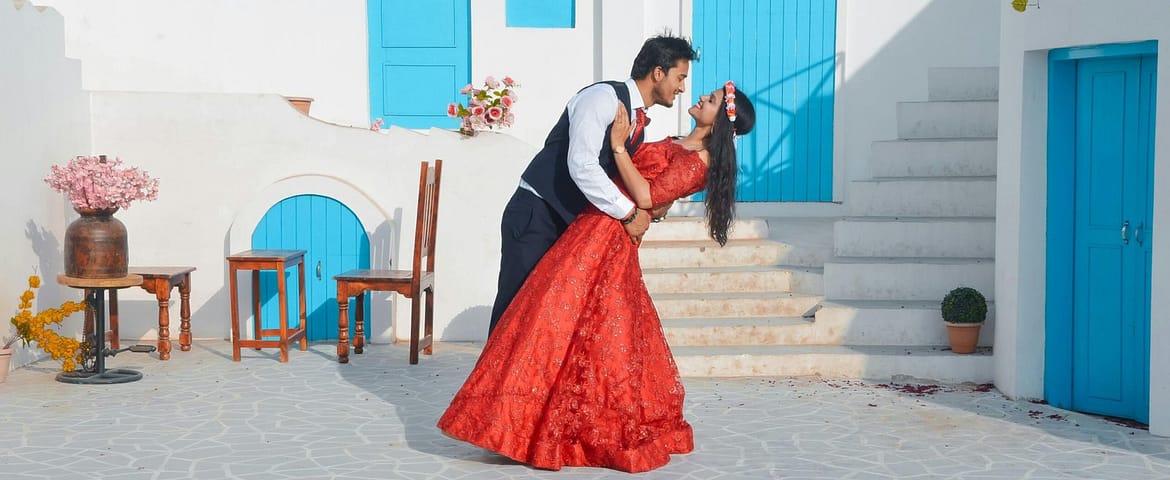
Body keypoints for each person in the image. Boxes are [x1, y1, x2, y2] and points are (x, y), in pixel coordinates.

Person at [438, 81, 756, 473]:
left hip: (608, 237)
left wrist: (620, 147)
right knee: (552, 321)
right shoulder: (677, 142)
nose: (698, 96)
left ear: (719, 124)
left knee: (567, 323)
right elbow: (652, 201)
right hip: (593, 224)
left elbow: (645, 195)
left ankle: (544, 424)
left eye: (709, 101)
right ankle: (510, 420)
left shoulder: (699, 162)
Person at [488, 34, 696, 334]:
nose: (682, 87)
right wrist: (628, 213)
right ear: (658, 72)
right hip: (537, 214)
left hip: (567, 223)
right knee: (514, 312)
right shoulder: (602, 98)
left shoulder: (636, 118)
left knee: (544, 320)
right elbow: (582, 164)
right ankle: (490, 382)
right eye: (680, 77)